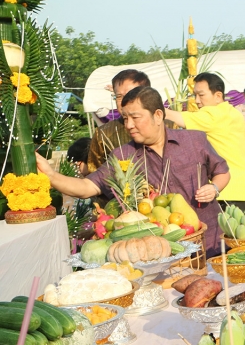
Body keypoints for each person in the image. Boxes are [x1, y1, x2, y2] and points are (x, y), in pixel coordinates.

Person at [38, 87, 231, 257]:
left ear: (157, 115)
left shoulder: (194, 140)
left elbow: (222, 172)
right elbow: (87, 186)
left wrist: (214, 187)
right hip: (163, 252)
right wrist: (51, 176)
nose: (129, 125)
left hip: (211, 241)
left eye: (135, 118)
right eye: (125, 118)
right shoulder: (124, 156)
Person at [165, 72, 245, 212]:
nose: (197, 101)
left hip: (229, 191)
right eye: (194, 95)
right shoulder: (234, 112)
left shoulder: (213, 115)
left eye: (201, 95)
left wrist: (152, 108)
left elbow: (175, 117)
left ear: (218, 96)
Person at [86, 69, 151, 173]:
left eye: (131, 94)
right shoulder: (103, 134)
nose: (124, 101)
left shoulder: (166, 126)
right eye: (119, 96)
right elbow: (94, 175)